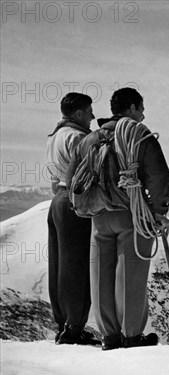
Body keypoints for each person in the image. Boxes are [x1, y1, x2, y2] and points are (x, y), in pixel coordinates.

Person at [67, 88, 169, 350]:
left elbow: (72, 178)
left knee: (101, 272)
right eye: (142, 108)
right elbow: (158, 176)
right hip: (132, 214)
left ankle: (110, 335)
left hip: (100, 216)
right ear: (133, 108)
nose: (144, 114)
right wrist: (159, 211)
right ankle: (131, 334)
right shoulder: (139, 136)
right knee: (131, 274)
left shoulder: (90, 139)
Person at [46, 93, 99, 345]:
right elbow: (89, 172)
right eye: (88, 111)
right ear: (78, 114)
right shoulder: (78, 137)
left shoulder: (55, 136)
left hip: (57, 199)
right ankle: (74, 327)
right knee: (76, 265)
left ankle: (63, 322)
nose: (92, 116)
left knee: (58, 263)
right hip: (74, 201)